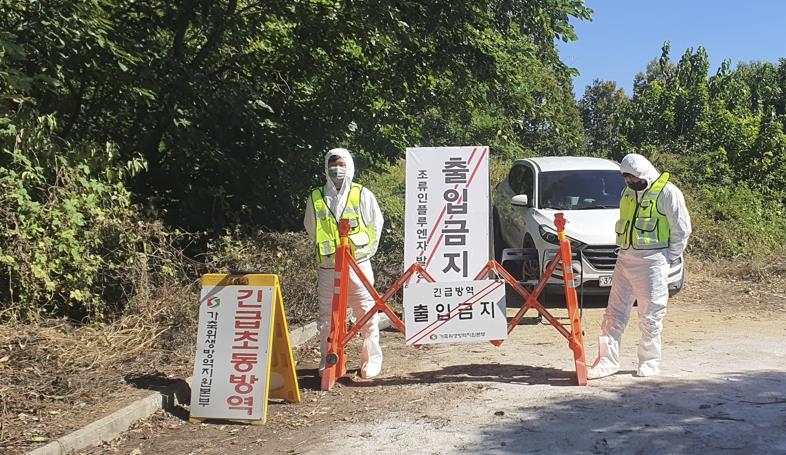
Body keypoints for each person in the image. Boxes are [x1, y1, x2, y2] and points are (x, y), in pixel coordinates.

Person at [588, 153, 692, 379]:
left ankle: (649, 362)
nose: (630, 182)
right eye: (626, 178)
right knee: (613, 313)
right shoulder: (627, 193)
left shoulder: (668, 192)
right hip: (625, 258)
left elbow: (681, 229)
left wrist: (667, 258)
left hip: (653, 261)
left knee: (651, 315)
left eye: (633, 178)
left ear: (644, 173)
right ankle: (607, 360)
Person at [303, 148, 384, 379]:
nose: (336, 169)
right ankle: (329, 359)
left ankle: (371, 361)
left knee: (366, 312)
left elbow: (376, 224)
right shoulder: (317, 196)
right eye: (332, 164)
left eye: (341, 164)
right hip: (329, 266)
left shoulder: (362, 194)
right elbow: (311, 227)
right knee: (327, 317)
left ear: (349, 166)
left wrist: (365, 253)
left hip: (358, 264)